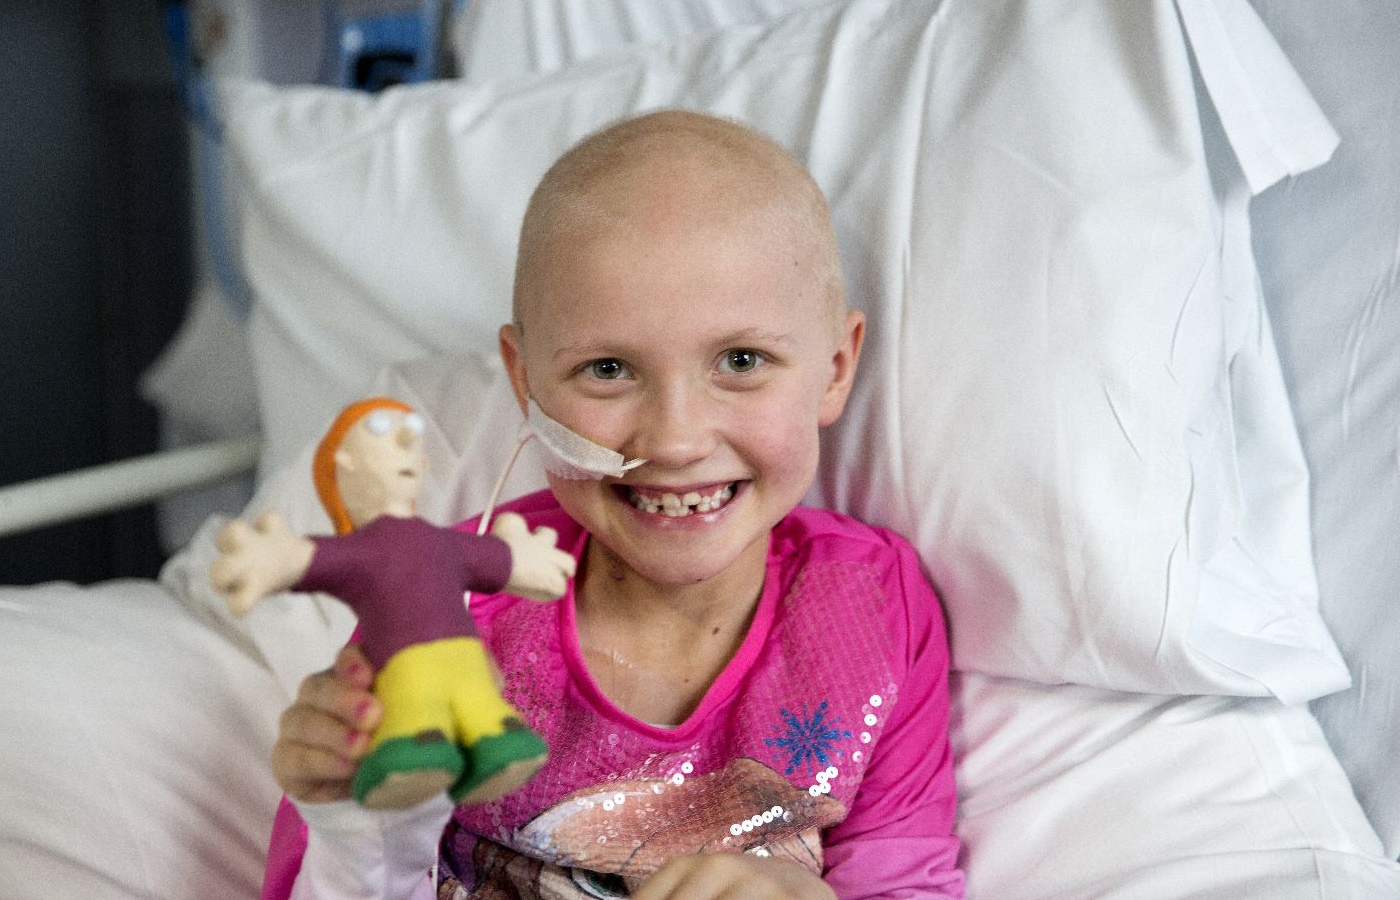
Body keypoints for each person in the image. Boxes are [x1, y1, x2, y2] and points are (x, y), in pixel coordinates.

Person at [258, 109, 964, 899]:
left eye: (741, 360)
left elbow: (906, 880)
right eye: (607, 369)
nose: (674, 439)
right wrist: (346, 823)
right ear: (525, 383)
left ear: (834, 368)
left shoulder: (875, 607)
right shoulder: (441, 610)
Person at [212, 398, 577, 810]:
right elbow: (303, 559)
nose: (408, 440)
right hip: (406, 667)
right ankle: (412, 749)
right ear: (345, 463)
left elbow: (494, 559)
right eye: (384, 430)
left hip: (466, 660)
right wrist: (265, 559)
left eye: (411, 435)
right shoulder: (363, 551)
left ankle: (497, 737)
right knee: (415, 709)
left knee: (480, 703)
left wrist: (530, 559)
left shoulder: (443, 541)